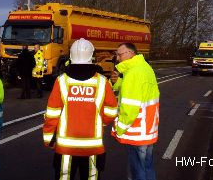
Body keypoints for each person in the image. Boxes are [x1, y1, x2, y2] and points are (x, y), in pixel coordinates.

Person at [43, 38, 118, 180]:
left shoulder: (61, 81)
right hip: (93, 147)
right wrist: (99, 123)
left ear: (71, 56)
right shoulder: (102, 82)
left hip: (65, 147)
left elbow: (52, 114)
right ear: (91, 57)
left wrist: (48, 139)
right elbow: (111, 111)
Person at [110, 43, 160, 180]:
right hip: (148, 129)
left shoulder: (133, 73)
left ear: (131, 53)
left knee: (137, 171)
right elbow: (140, 92)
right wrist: (119, 82)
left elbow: (130, 108)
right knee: (147, 166)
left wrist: (119, 129)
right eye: (117, 55)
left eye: (120, 54)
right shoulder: (144, 68)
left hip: (137, 132)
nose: (118, 58)